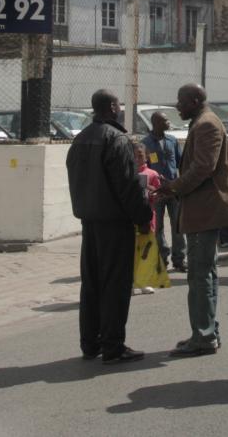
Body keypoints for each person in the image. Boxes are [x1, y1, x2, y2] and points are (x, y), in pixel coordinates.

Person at [67, 89, 152, 364]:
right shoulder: (116, 139)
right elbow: (127, 185)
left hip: (89, 221)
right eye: (119, 105)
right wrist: (143, 217)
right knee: (115, 284)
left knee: (91, 284)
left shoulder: (80, 138)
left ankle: (90, 343)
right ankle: (113, 346)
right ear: (113, 107)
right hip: (115, 223)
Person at [161, 84, 228, 357]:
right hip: (202, 211)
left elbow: (203, 167)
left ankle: (204, 336)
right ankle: (207, 332)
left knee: (200, 276)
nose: (177, 106)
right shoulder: (202, 122)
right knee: (205, 274)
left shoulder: (206, 124)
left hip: (204, 211)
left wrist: (173, 187)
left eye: (181, 101)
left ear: (195, 101)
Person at [143, 112, 185, 272]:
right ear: (155, 123)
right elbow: (144, 168)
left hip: (173, 190)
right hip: (157, 192)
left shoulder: (172, 141)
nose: (168, 122)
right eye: (165, 120)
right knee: (158, 227)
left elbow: (181, 163)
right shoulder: (145, 143)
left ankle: (179, 259)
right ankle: (162, 259)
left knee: (178, 225)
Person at [132, 141, 162, 295]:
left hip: (147, 217)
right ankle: (132, 282)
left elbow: (158, 194)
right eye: (134, 156)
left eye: (140, 156)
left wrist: (152, 192)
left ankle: (145, 282)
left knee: (146, 250)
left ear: (146, 157)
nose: (137, 159)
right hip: (130, 218)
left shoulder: (152, 174)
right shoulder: (126, 173)